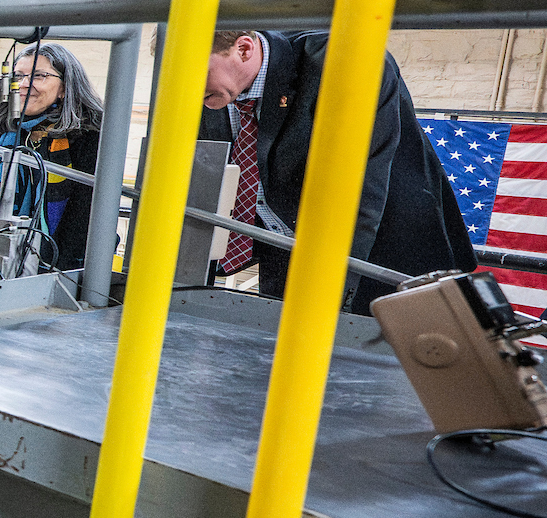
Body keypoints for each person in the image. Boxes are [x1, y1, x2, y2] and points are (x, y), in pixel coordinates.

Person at [200, 28, 475, 314]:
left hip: (382, 261)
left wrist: (331, 290)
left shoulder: (345, 60)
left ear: (244, 49)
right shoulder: (214, 91)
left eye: (200, 72)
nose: (190, 89)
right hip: (285, 259)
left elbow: (361, 190)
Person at [0, 42, 102, 275]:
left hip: (68, 260)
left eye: (39, 76)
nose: (24, 84)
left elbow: (85, 209)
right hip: (2, 250)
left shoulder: (89, 133)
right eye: (18, 76)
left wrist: (57, 269)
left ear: (64, 87)